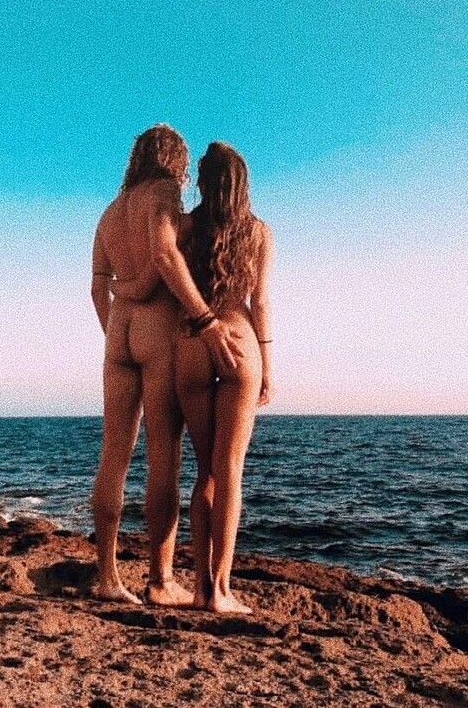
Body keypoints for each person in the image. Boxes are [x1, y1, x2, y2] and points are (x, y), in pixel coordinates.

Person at [90, 124, 243, 605]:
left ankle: (107, 577)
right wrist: (205, 320)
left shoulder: (110, 211)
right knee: (163, 459)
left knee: (113, 456)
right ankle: (160, 580)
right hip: (158, 333)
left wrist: (120, 321)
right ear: (174, 159)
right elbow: (164, 252)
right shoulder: (163, 193)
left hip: (117, 334)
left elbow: (97, 287)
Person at [174, 142, 273, 614]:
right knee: (230, 470)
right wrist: (268, 365)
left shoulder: (185, 228)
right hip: (240, 342)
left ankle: (198, 588)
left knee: (205, 474)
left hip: (192, 343)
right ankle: (221, 590)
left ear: (203, 181)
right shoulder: (259, 233)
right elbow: (260, 302)